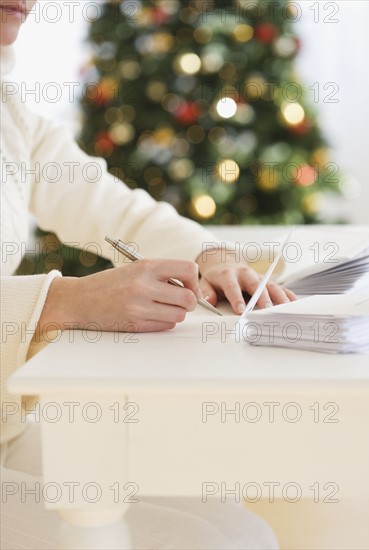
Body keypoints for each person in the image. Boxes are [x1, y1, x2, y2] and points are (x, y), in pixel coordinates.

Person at [0, 1, 292, 547]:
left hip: (5, 430)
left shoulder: (11, 116)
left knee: (238, 525)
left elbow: (118, 212)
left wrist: (209, 255)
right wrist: (63, 301)